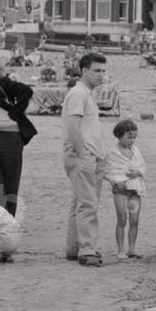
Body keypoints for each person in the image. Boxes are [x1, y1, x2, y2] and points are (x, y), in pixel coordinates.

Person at [62, 52, 108, 266]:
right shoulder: (78, 94)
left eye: (103, 71)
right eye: (97, 70)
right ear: (84, 71)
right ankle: (87, 249)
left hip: (89, 154)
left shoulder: (86, 94)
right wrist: (84, 155)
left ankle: (74, 247)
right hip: (83, 155)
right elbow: (72, 128)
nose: (102, 75)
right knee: (88, 204)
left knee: (79, 202)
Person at [0, 55, 36, 217]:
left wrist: (16, 112)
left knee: (11, 183)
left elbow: (26, 91)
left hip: (9, 137)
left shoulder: (1, 84)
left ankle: (7, 222)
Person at [104, 119, 146, 260]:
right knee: (122, 218)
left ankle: (132, 248)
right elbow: (108, 171)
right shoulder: (112, 153)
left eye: (134, 137)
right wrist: (114, 181)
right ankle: (121, 249)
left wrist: (137, 173)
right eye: (129, 137)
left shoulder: (136, 151)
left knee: (135, 220)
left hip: (135, 190)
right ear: (119, 136)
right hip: (120, 191)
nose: (132, 140)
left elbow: (142, 167)